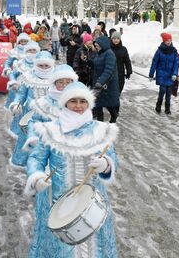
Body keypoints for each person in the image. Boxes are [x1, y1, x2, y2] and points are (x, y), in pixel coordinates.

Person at [25, 81, 119, 258]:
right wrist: (36, 177)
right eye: (73, 101)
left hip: (91, 202)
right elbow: (36, 159)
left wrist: (106, 164)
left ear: (89, 103)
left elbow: (113, 158)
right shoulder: (50, 130)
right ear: (65, 103)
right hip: (57, 201)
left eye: (82, 101)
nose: (78, 106)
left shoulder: (101, 130)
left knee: (93, 245)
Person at [8, 51, 55, 168]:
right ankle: (20, 160)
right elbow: (21, 94)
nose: (44, 68)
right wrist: (16, 104)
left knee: (47, 141)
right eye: (41, 65)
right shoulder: (28, 77)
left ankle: (41, 164)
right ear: (36, 64)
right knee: (25, 137)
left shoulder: (56, 79)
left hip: (50, 117)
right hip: (29, 116)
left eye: (47, 66)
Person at [23, 64, 79, 152]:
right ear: (54, 83)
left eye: (68, 82)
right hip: (48, 147)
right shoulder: (44, 103)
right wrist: (32, 136)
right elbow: (33, 121)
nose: (64, 85)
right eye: (60, 82)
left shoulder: (79, 102)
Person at [91, 36, 121, 123]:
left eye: (97, 45)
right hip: (99, 83)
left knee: (109, 104)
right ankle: (100, 126)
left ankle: (113, 118)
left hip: (107, 84)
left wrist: (99, 82)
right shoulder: (99, 52)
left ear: (102, 44)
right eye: (95, 45)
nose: (96, 46)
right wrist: (87, 62)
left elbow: (108, 71)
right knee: (98, 105)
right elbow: (96, 65)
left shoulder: (109, 54)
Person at [149, 32, 179, 114]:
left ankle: (167, 108)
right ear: (163, 41)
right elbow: (154, 62)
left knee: (169, 93)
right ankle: (158, 106)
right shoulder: (159, 51)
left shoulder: (174, 51)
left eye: (170, 40)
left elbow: (176, 63)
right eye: (167, 40)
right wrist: (151, 74)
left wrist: (175, 74)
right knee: (162, 91)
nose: (168, 42)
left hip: (170, 75)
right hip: (161, 74)